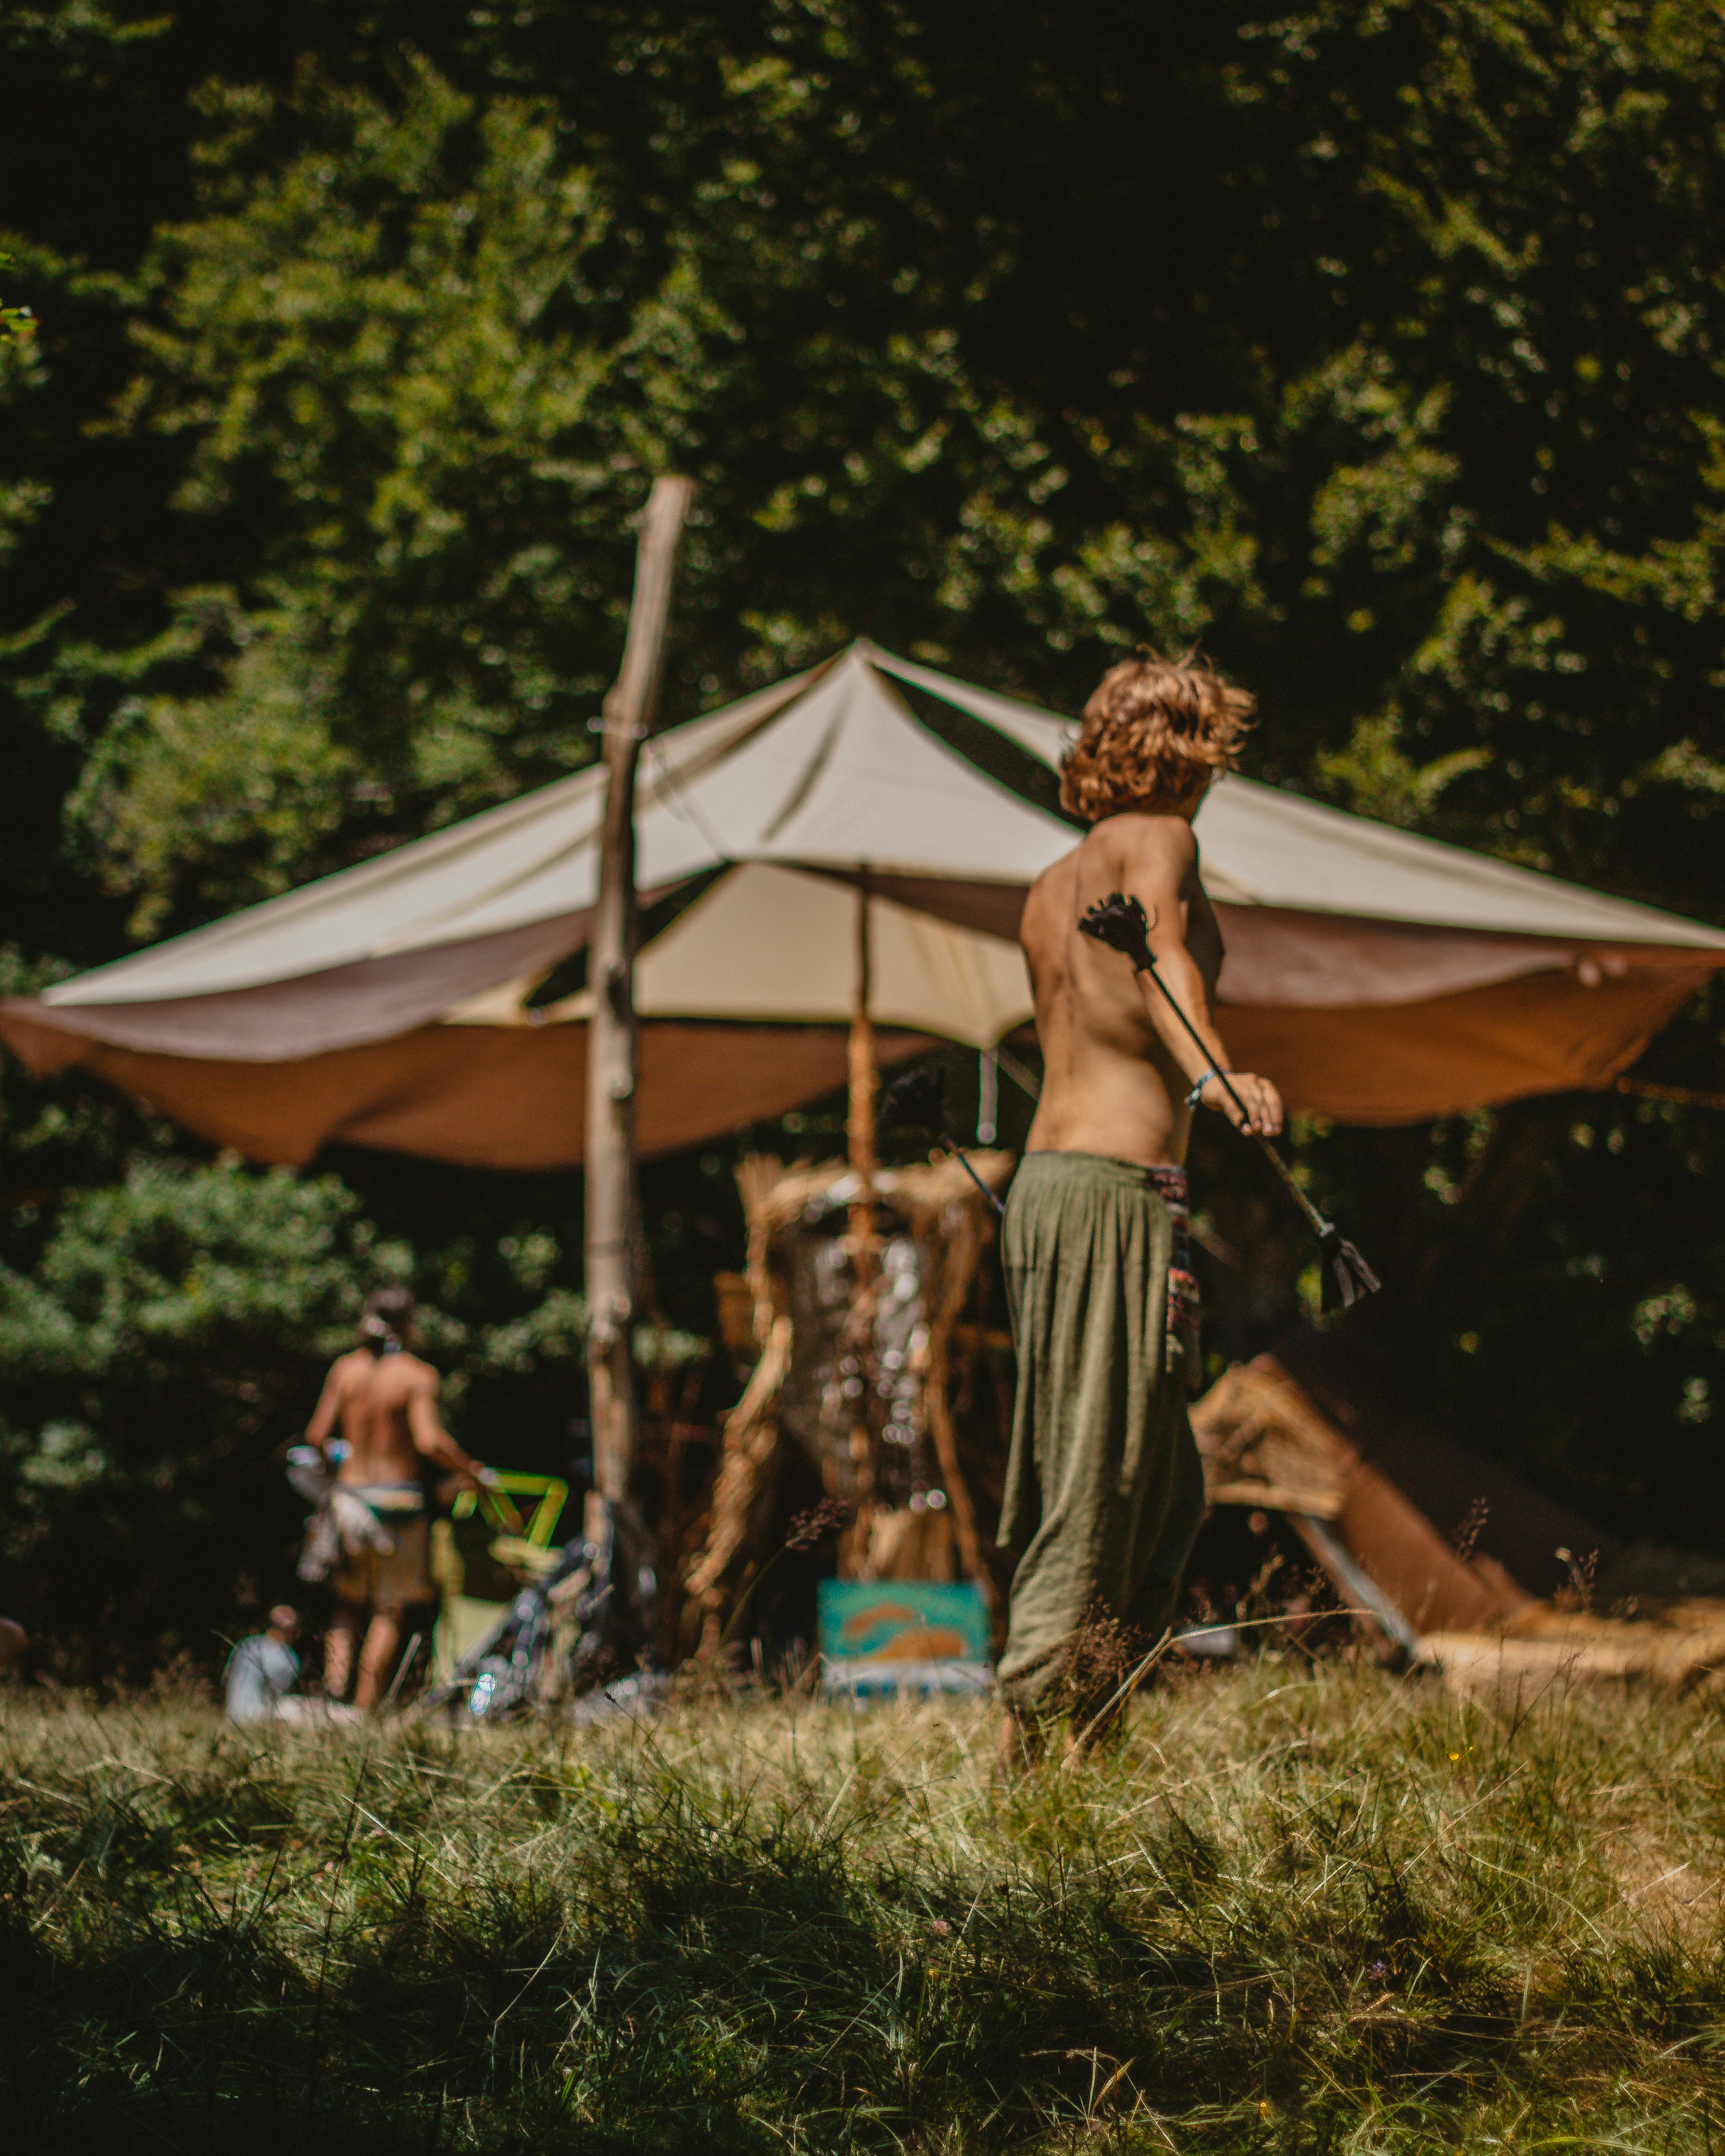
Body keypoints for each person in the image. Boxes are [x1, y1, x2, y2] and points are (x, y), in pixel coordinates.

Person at [999, 651, 1285, 1763]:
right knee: (1101, 1472)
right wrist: (1219, 1076)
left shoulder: (1048, 882)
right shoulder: (1160, 837)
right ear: (1189, 747)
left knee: (1157, 1483)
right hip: (1112, 1190)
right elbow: (1164, 958)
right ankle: (1034, 1737)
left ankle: (1094, 1722)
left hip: (1048, 1189)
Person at [303, 1286, 487, 1710]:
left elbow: (316, 1436)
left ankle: (334, 1694)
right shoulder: (417, 1375)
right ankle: (363, 1710)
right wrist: (469, 1469)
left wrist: (336, 1463)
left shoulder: (346, 1370)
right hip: (397, 1508)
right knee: (388, 1609)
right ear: (410, 1325)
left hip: (349, 1501)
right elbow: (429, 1441)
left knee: (347, 1603)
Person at [225, 1604, 303, 1724]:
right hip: (257, 1718)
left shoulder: (247, 1645)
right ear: (290, 1630)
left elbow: (226, 1680)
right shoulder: (286, 1657)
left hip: (233, 1715)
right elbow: (276, 1696)